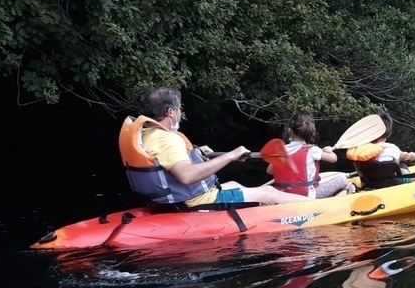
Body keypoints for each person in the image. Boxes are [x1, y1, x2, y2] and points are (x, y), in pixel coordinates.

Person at [121, 86, 305, 206]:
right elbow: (186, 175)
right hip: (197, 201)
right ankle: (319, 208)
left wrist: (198, 153)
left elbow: (166, 163)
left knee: (234, 183)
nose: (180, 112)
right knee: (269, 192)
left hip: (173, 200)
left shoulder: (147, 133)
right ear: (170, 112)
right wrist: (231, 155)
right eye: (179, 109)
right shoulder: (168, 140)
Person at [267, 112, 355, 198]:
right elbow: (334, 159)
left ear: (289, 130)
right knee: (342, 179)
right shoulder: (313, 150)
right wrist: (328, 150)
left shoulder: (281, 151)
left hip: (282, 196)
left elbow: (270, 170)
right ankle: (347, 190)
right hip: (306, 197)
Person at [344, 111, 415, 189]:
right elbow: (404, 156)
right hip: (393, 183)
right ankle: (409, 183)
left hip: (370, 183)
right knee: (403, 165)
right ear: (389, 133)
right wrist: (411, 155)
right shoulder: (392, 148)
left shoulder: (360, 149)